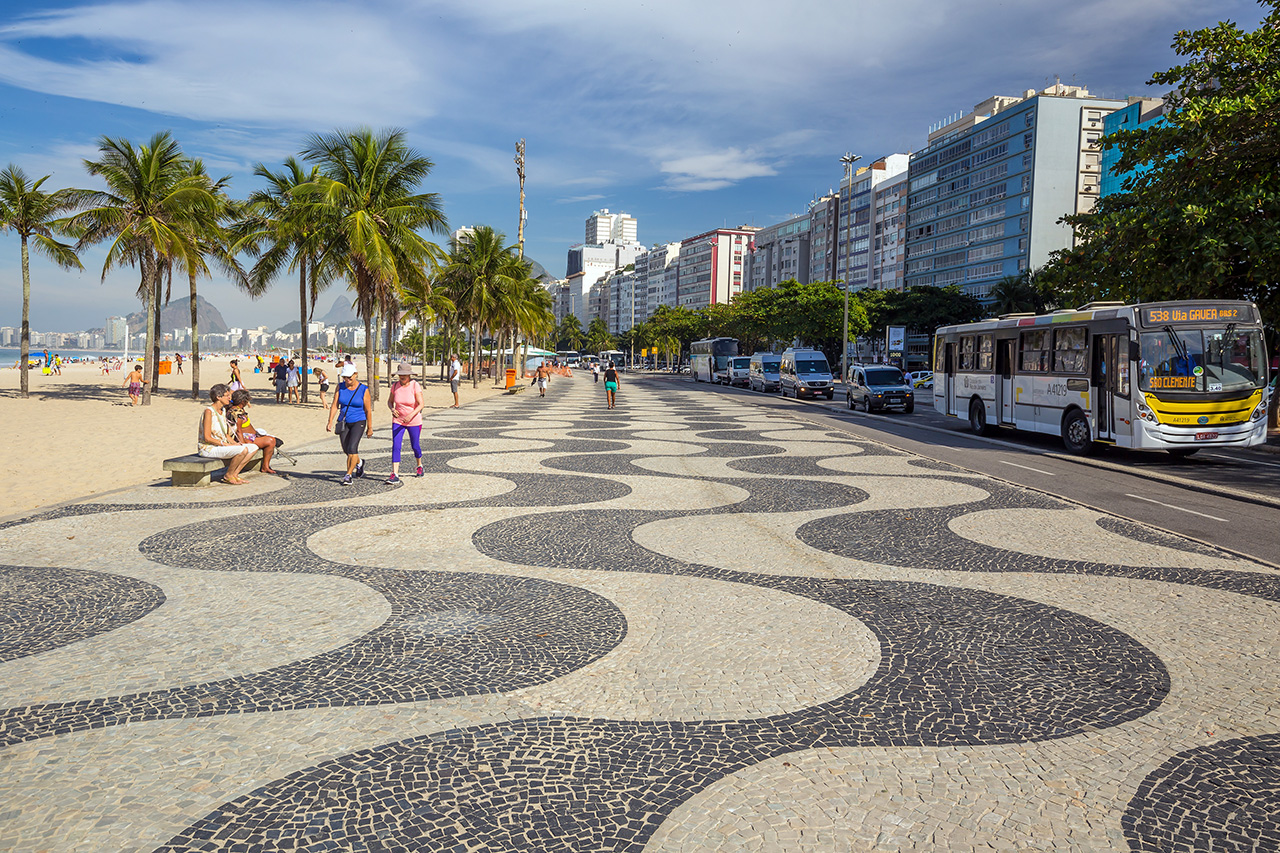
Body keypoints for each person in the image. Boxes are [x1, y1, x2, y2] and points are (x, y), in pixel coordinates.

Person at [198, 384, 257, 485]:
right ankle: (228, 475)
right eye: (227, 395)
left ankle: (234, 474)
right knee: (242, 450)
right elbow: (207, 438)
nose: (230, 398)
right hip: (208, 448)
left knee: (253, 447)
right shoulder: (209, 412)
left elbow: (225, 434)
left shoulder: (223, 410)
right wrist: (227, 445)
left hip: (221, 445)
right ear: (218, 397)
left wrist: (234, 443)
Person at [327, 363, 372, 485]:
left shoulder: (363, 389)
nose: (347, 380)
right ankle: (360, 463)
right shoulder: (340, 387)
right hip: (344, 421)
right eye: (345, 377)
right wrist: (330, 421)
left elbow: (368, 410)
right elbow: (335, 405)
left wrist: (370, 427)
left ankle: (348, 475)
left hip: (359, 421)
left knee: (352, 448)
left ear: (355, 375)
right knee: (347, 449)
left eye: (349, 377)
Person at [386, 363, 424, 483]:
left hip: (414, 420)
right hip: (398, 421)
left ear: (409, 375)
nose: (402, 377)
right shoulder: (395, 386)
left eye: (404, 375)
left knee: (415, 445)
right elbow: (390, 402)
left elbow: (421, 404)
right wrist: (392, 409)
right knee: (396, 445)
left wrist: (411, 415)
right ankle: (395, 473)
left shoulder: (415, 385)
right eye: (400, 375)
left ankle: (419, 465)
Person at [228, 389, 279, 474]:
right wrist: (243, 444)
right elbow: (238, 431)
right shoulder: (237, 413)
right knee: (271, 441)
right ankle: (265, 467)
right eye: (247, 401)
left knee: (270, 438)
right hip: (246, 438)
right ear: (243, 401)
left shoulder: (238, 409)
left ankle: (265, 466)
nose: (248, 403)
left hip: (251, 436)